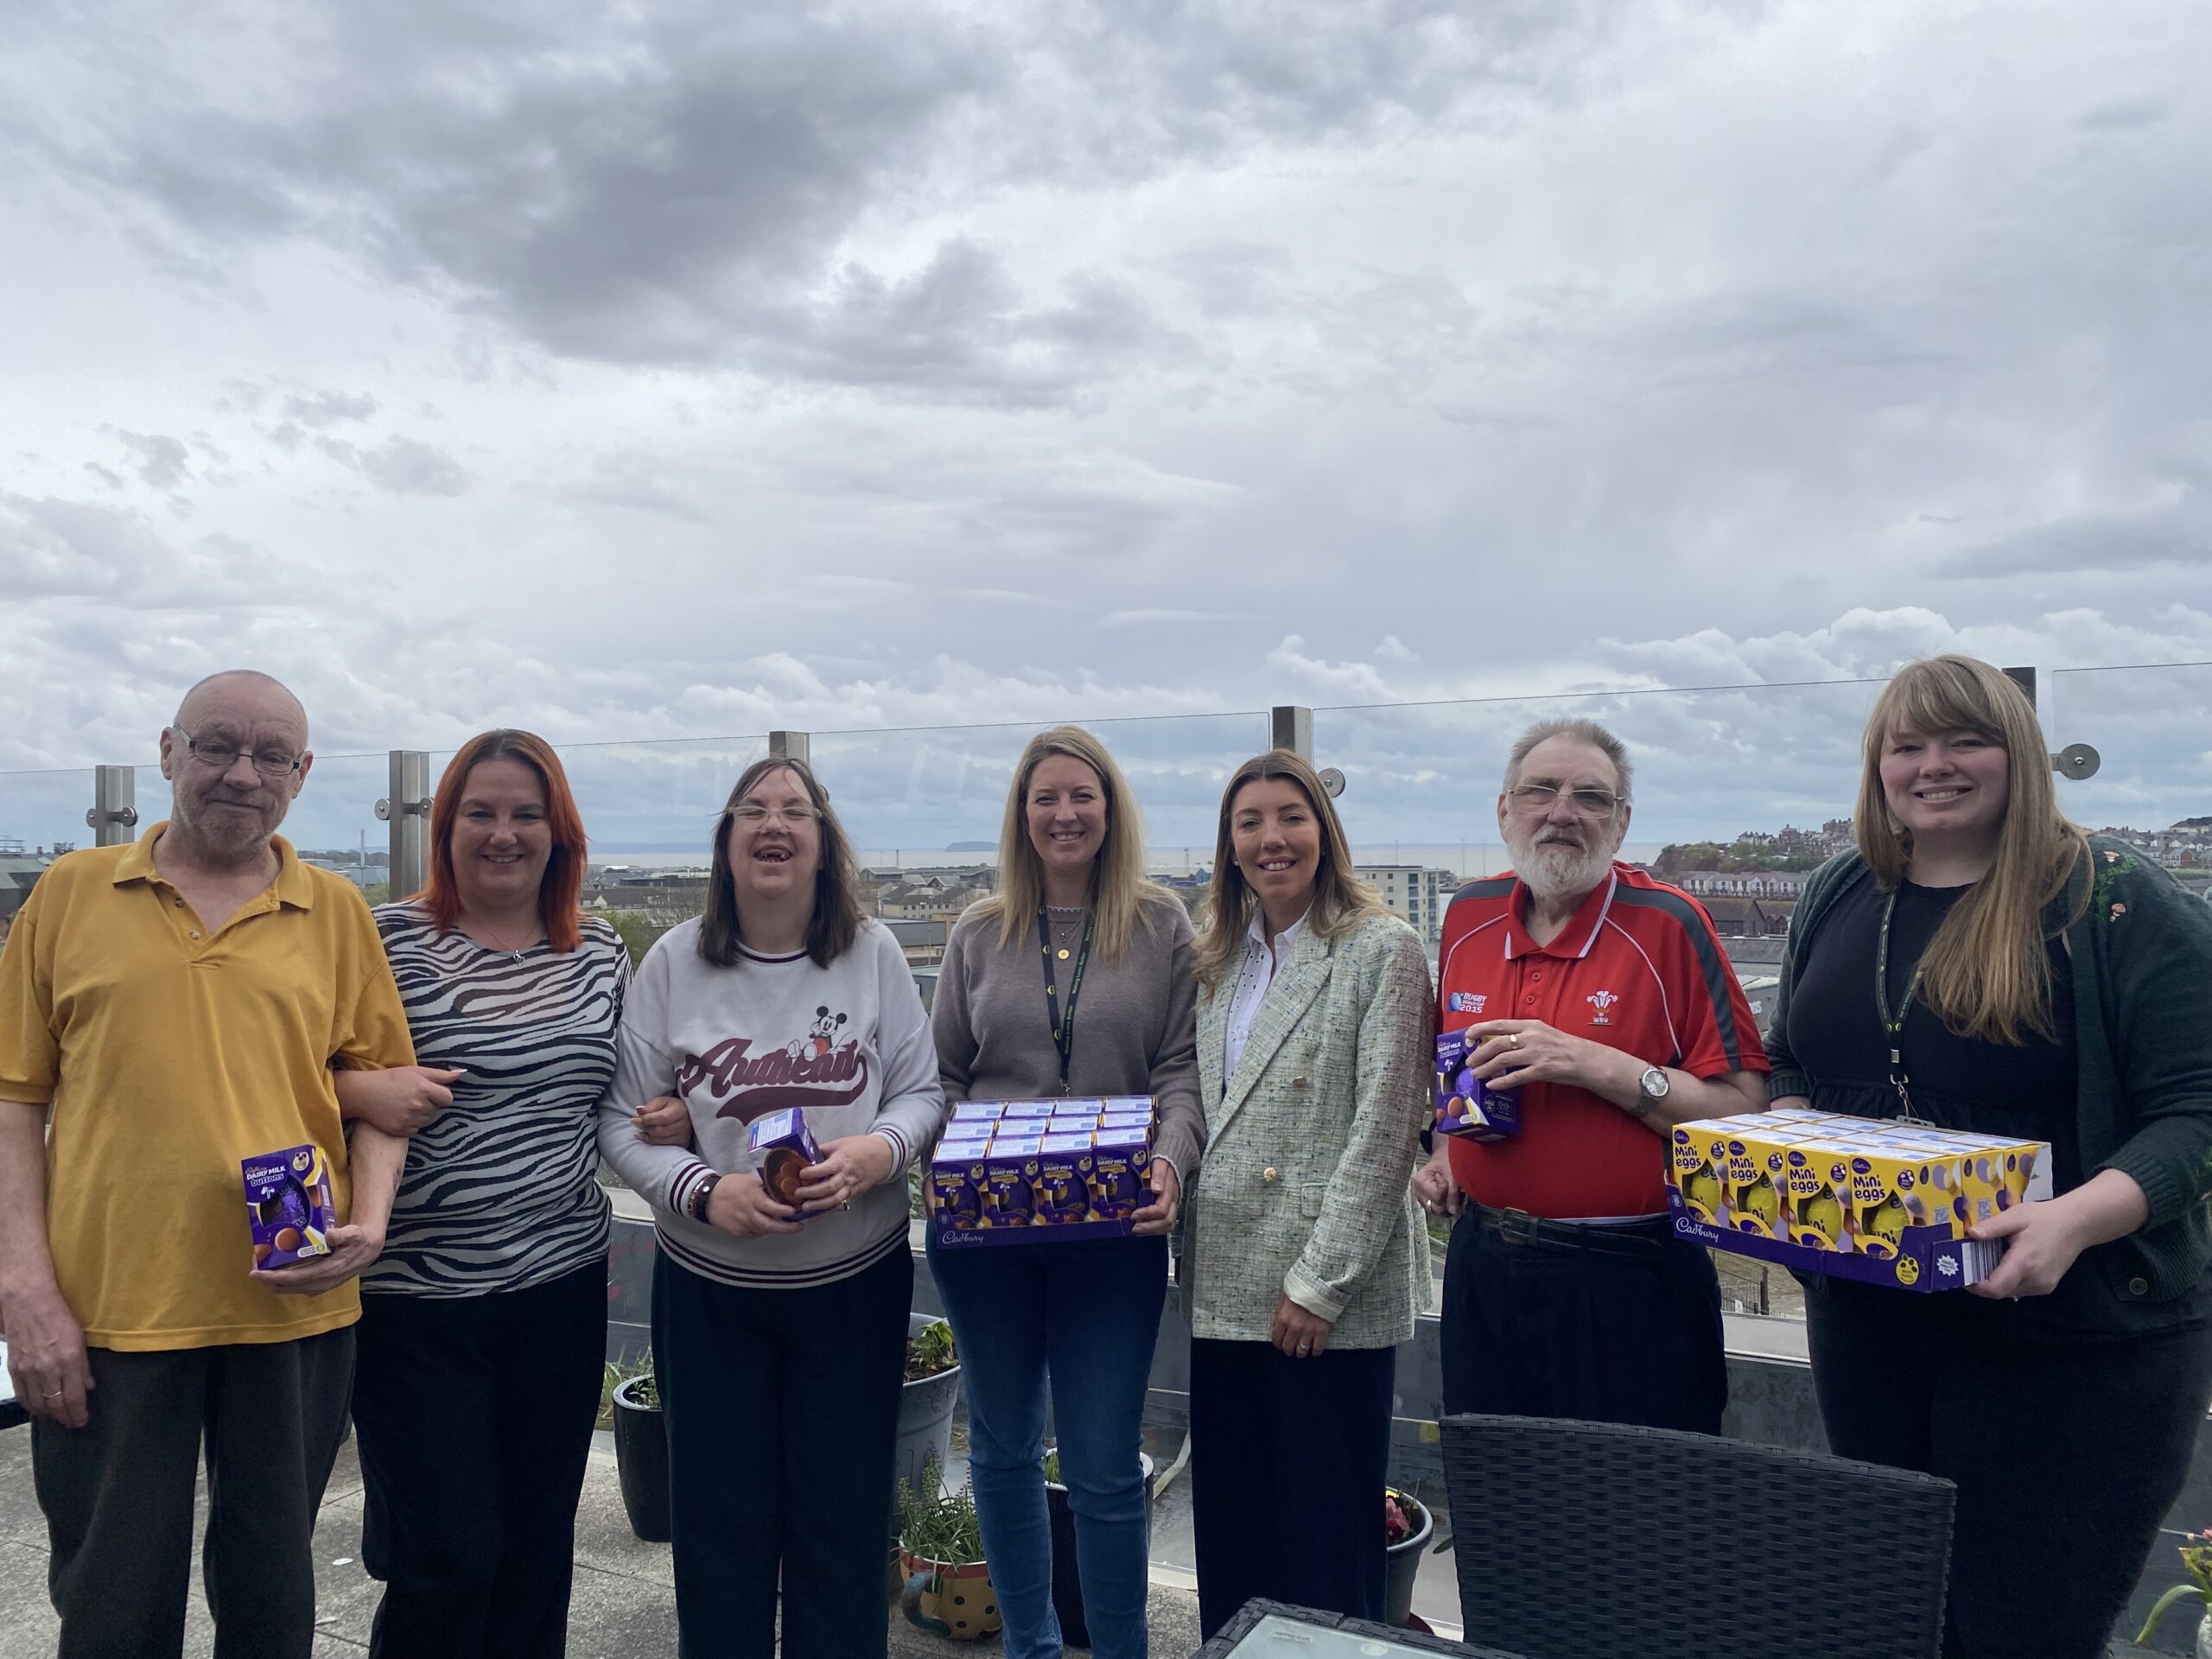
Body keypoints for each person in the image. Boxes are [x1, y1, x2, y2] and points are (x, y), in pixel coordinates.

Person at [1764, 654, 2212, 1659]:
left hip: (2074, 1339)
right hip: (1872, 1320)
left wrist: (2072, 1220)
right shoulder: (1842, 886)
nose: (1935, 766)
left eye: (1966, 739)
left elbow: (2196, 1109)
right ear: (1876, 765)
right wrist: (1792, 1135)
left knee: (2021, 1633)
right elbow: (1788, 1050)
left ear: (2022, 754)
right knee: (1898, 1618)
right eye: (1906, 745)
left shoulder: (2115, 900)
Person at [0, 669, 415, 1659]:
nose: (241, 774)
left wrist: (375, 1224)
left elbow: (386, 1094)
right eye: (216, 746)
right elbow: (15, 1097)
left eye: (272, 756)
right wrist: (24, 1292)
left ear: (303, 775)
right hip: (109, 1307)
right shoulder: (68, 895)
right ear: (167, 752)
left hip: (295, 1298)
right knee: (109, 1597)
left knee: (273, 1599)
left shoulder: (336, 910)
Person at [597, 755, 943, 1659]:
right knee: (717, 1535)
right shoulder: (674, 962)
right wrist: (704, 1191)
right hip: (711, 1296)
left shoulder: (871, 954)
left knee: (843, 1530)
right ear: (725, 842)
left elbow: (923, 1093)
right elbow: (619, 1124)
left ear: (825, 843)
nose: (772, 824)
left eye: (794, 809)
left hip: (851, 1289)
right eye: (750, 809)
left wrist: (878, 1152)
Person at [333, 730, 631, 1659]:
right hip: (415, 1302)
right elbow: (279, 1076)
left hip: (562, 1285)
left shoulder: (602, 952)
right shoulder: (384, 940)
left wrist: (664, 1116)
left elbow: (623, 1093)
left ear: (560, 832)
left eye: (525, 815)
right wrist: (354, 1090)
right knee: (447, 1554)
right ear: (445, 826)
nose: (504, 834)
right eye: (481, 813)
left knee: (540, 1546)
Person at [925, 726, 1203, 1659]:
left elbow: (1179, 1072)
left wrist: (1171, 1159)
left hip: (1112, 1233)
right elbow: (944, 1079)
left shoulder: (1162, 925)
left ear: (1110, 809)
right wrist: (941, 1163)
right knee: (1000, 1453)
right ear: (1021, 816)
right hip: (986, 1238)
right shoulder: (975, 931)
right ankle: (1031, 1648)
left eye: (1081, 795)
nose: (1064, 813)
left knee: (1102, 1467)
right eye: (1045, 798)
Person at [1414, 716, 1769, 1434]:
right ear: (1504, 809)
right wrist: (1447, 1152)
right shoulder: (1468, 915)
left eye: (1591, 798)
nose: (1563, 812)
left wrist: (1599, 1066)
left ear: (1622, 821)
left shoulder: (1671, 925)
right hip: (1485, 1266)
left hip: (1632, 1278)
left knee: (1638, 1524)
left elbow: (1744, 1115)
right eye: (1540, 790)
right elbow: (1443, 1056)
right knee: (1498, 1506)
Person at [1182, 749, 1433, 1638]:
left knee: (1326, 1550)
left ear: (1323, 832)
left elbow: (1386, 1128)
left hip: (1322, 1298)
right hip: (1223, 1287)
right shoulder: (1215, 958)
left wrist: (1318, 1283)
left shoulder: (1381, 949)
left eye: (1289, 816)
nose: (1269, 838)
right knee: (1237, 1540)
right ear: (1229, 845)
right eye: (1247, 822)